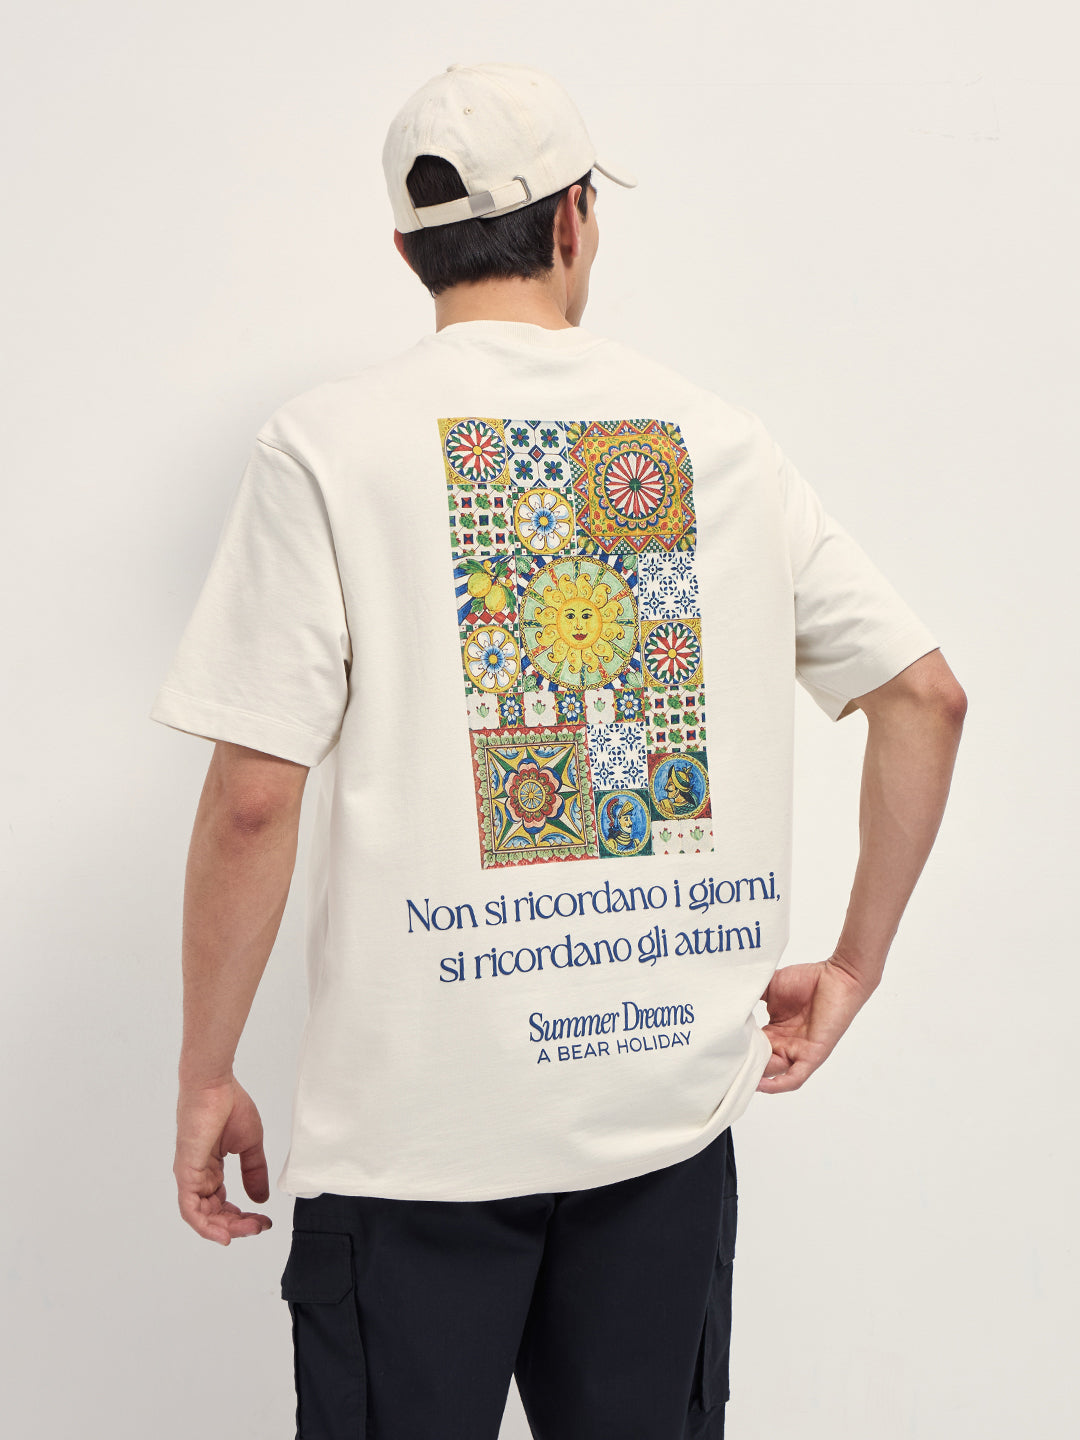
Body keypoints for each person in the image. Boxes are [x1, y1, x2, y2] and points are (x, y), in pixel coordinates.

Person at [150, 60, 966, 1440]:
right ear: (577, 218)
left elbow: (250, 800)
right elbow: (926, 698)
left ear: (406, 248)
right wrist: (855, 965)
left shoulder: (327, 449)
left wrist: (205, 1073)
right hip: (662, 1128)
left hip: (416, 1144)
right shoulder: (721, 444)